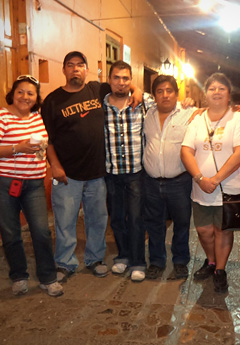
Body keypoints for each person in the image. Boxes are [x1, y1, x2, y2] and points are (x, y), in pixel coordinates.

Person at [41, 52, 140, 283]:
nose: (75, 69)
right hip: (67, 175)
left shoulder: (97, 89)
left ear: (86, 70)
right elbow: (47, 139)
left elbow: (122, 82)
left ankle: (95, 259)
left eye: (80, 65)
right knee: (65, 222)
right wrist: (54, 166)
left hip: (98, 173)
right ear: (64, 70)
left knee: (97, 220)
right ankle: (65, 263)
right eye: (70, 65)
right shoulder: (52, 101)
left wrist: (136, 91)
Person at [0, 75, 63, 297]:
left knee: (41, 231)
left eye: (30, 93)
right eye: (21, 92)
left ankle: (48, 278)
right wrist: (17, 148)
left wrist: (43, 154)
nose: (25, 97)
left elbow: (44, 145)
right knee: (11, 233)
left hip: (34, 183)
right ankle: (18, 276)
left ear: (36, 98)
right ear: (13, 93)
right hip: (2, 182)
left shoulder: (37, 117)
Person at [181, 73, 240, 293]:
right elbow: (186, 151)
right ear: (205, 93)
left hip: (228, 188)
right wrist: (200, 179)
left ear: (229, 93)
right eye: (212, 88)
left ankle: (220, 269)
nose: (217, 92)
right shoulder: (197, 119)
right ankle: (210, 261)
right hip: (200, 188)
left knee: (223, 231)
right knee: (203, 230)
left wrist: (216, 179)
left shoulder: (238, 118)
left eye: (222, 88)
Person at [104, 60, 153, 282]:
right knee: (117, 218)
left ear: (131, 81)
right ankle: (122, 256)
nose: (121, 82)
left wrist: (139, 91)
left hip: (135, 172)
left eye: (126, 78)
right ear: (109, 80)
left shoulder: (143, 103)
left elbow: (170, 107)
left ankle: (138, 261)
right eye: (117, 77)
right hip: (111, 173)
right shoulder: (101, 105)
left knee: (135, 218)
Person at [143, 75, 196, 280]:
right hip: (151, 181)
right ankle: (156, 261)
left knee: (182, 223)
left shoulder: (190, 114)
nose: (165, 95)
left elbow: (211, 112)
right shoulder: (146, 114)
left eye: (169, 91)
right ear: (154, 95)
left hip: (179, 181)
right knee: (154, 224)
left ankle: (180, 261)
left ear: (177, 93)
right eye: (160, 91)